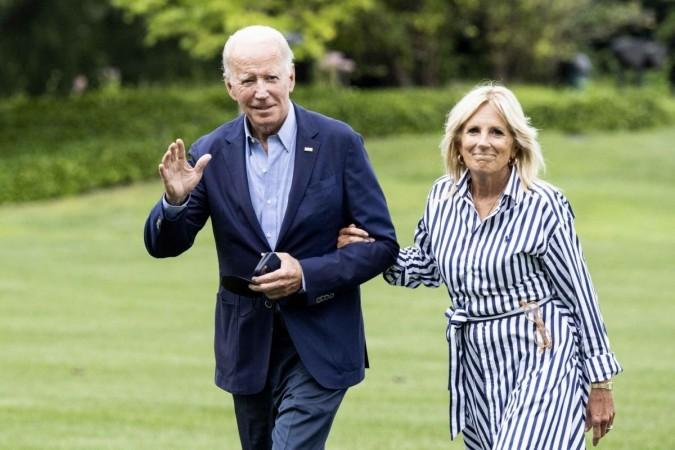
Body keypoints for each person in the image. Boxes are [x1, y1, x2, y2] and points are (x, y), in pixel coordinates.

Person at [143, 25, 398, 450]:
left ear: (291, 78)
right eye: (248, 80)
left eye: (270, 78)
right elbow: (165, 245)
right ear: (230, 86)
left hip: (321, 337)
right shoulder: (211, 152)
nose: (261, 91)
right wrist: (173, 201)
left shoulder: (339, 143)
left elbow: (382, 246)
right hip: (248, 344)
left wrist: (306, 274)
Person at [338, 84, 621, 449]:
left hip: (543, 355)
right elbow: (423, 267)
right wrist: (372, 250)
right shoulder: (441, 197)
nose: (482, 142)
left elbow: (580, 295)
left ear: (515, 145)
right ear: (457, 142)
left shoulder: (544, 205)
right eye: (472, 131)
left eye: (496, 132)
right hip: (476, 363)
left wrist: (601, 383)